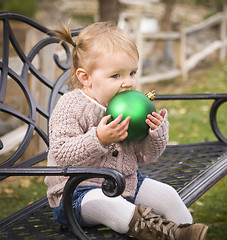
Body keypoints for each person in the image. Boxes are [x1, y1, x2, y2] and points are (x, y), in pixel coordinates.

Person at [45, 21, 208, 240]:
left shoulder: (131, 105)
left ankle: (187, 233)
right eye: (116, 76)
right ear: (86, 77)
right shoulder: (71, 107)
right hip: (76, 194)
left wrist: (154, 132)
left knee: (168, 195)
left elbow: (147, 156)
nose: (128, 83)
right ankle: (161, 233)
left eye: (132, 73)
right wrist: (99, 139)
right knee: (105, 203)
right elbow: (62, 152)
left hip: (126, 181)